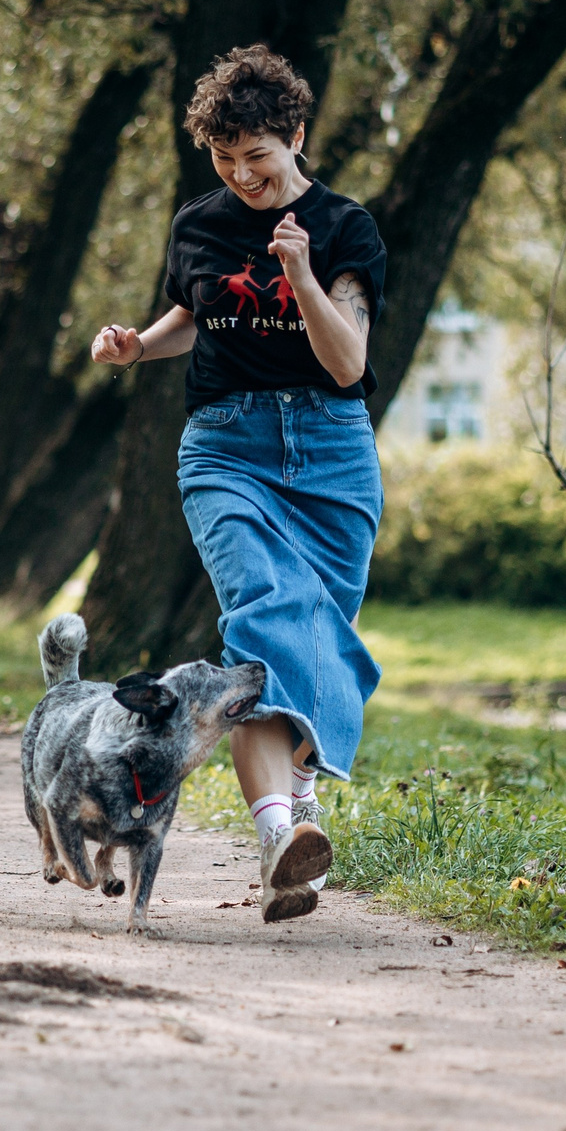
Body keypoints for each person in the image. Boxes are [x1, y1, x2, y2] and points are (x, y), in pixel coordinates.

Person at [91, 45, 384, 922]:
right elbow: (197, 310)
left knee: (314, 643)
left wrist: (299, 273)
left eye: (258, 157)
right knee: (261, 621)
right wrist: (141, 343)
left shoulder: (344, 228)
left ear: (297, 137)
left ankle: (298, 814)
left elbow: (348, 361)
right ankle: (277, 837)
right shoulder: (198, 223)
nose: (243, 177)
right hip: (225, 447)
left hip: (331, 452)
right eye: (225, 161)